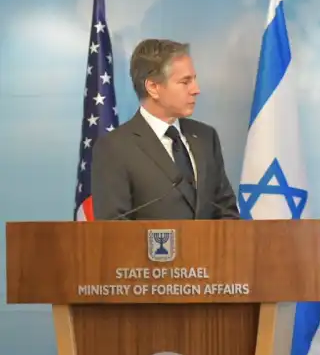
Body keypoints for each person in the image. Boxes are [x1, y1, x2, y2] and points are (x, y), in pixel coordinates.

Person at [92, 39, 240, 220]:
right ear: (153, 87)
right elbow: (114, 228)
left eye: (194, 79)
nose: (196, 89)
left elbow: (227, 212)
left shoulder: (205, 137)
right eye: (185, 82)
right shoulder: (115, 148)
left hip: (209, 248)